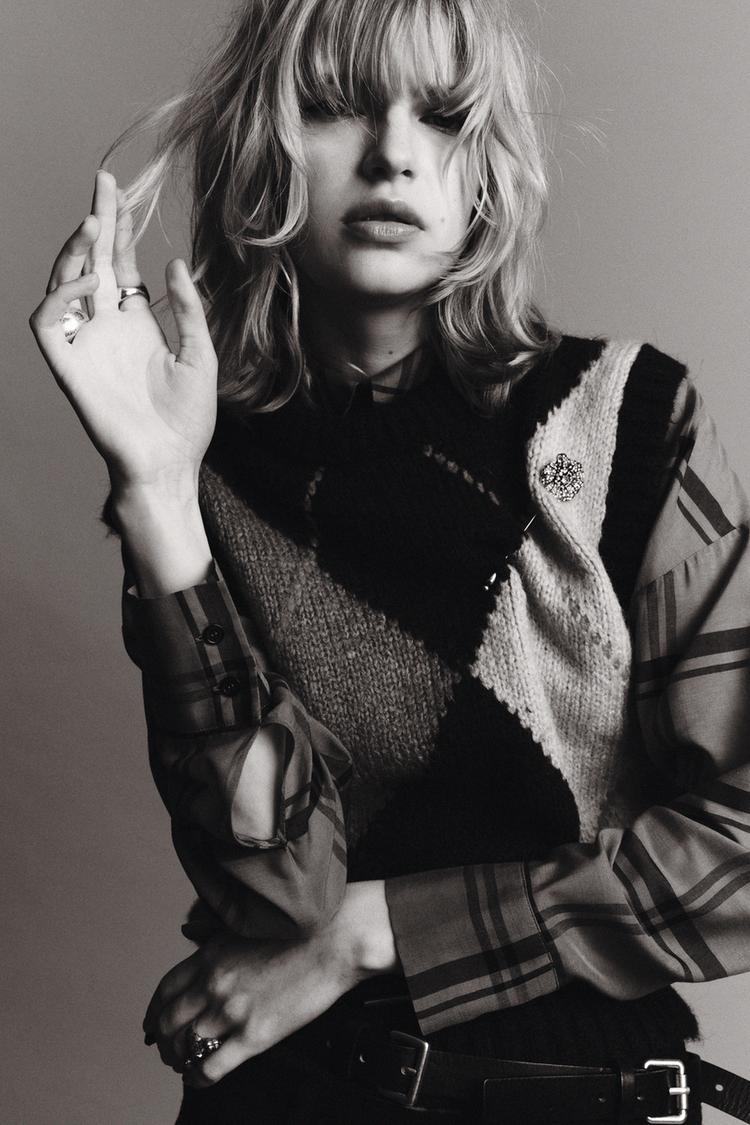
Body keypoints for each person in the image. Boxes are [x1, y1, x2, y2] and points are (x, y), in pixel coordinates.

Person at [29, 0, 750, 1121]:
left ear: (490, 164)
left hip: (587, 1095)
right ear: (263, 144)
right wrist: (159, 496)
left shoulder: (627, 423)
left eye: (445, 116)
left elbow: (741, 848)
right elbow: (280, 889)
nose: (395, 155)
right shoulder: (205, 470)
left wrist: (377, 935)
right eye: (334, 106)